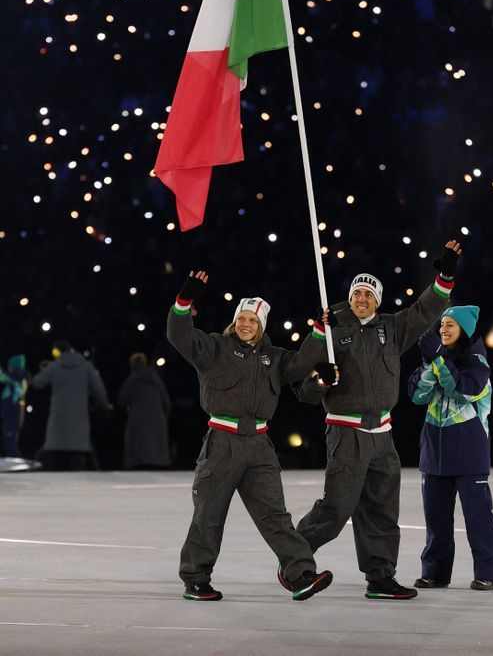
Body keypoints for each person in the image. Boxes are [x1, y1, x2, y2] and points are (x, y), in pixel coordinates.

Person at [288, 240, 462, 600]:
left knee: (382, 508)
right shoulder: (331, 328)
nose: (361, 298)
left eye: (368, 293)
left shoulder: (393, 329)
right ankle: (294, 561)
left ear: (378, 301)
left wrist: (444, 277)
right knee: (337, 509)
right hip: (346, 430)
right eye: (357, 292)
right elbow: (304, 391)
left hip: (382, 433)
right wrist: (320, 378)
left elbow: (425, 309)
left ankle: (380, 576)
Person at [167, 269, 337, 602]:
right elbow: (178, 335)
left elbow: (302, 364)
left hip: (260, 447)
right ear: (234, 321)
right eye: (242, 318)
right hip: (222, 443)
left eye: (253, 320)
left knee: (275, 515)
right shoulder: (213, 348)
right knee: (209, 513)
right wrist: (183, 301)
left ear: (261, 326)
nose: (246, 324)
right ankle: (196, 578)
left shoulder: (273, 358)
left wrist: (319, 330)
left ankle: (300, 573)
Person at [408, 305, 493, 590]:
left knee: (478, 518)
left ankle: (489, 573)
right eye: (441, 326)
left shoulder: (478, 364)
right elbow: (416, 395)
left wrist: (437, 359)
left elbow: (463, 390)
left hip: (468, 453)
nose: (443, 330)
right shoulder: (438, 360)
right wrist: (429, 364)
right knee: (436, 520)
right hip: (435, 455)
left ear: (465, 330)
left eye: (450, 325)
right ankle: (435, 572)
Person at [31, 340, 112, 470]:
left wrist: (45, 369)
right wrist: (104, 405)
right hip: (79, 420)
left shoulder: (54, 366)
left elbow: (37, 383)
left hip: (58, 420)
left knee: (56, 462)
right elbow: (99, 390)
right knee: (77, 461)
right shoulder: (86, 366)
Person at [118, 352, 171, 469]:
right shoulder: (156, 379)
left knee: (139, 454)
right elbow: (166, 402)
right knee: (156, 453)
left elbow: (122, 400)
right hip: (158, 420)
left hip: (138, 419)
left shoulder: (132, 380)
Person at [0, 354, 29, 457]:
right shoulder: (20, 377)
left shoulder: (18, 376)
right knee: (10, 439)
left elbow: (3, 377)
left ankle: (15, 460)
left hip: (12, 414)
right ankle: (14, 459)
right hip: (14, 414)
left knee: (10, 440)